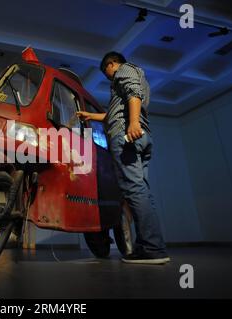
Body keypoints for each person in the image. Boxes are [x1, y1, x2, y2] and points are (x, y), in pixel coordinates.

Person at [76, 52, 170, 264]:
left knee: (133, 191)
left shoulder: (125, 70)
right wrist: (91, 116)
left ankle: (153, 249)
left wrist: (133, 123)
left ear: (112, 64)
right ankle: (149, 246)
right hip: (142, 138)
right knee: (141, 192)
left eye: (106, 71)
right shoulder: (140, 78)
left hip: (128, 136)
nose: (108, 76)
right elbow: (114, 113)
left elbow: (132, 92)